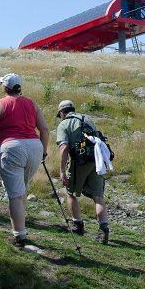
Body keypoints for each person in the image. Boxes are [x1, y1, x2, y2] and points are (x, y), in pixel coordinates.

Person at [0, 73, 49, 247]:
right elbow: (44, 129)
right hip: (34, 146)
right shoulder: (32, 104)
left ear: (5, 88)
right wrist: (43, 152)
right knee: (21, 189)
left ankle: (19, 236)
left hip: (12, 147)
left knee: (15, 194)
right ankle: (20, 229)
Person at [56, 100, 111, 244]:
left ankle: (77, 225)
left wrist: (62, 171)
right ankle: (103, 229)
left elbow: (64, 148)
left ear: (62, 112)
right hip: (97, 160)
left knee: (71, 193)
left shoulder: (64, 124)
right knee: (98, 197)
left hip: (79, 162)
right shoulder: (87, 119)